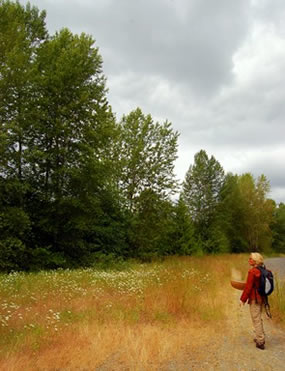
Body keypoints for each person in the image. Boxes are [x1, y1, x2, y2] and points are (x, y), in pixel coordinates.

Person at [240, 252, 266, 350]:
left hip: (255, 298)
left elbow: (248, 287)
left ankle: (260, 341)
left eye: (250, 259)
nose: (248, 260)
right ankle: (260, 337)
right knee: (258, 318)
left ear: (255, 261)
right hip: (262, 298)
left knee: (256, 319)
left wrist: (242, 300)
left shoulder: (252, 272)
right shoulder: (263, 270)